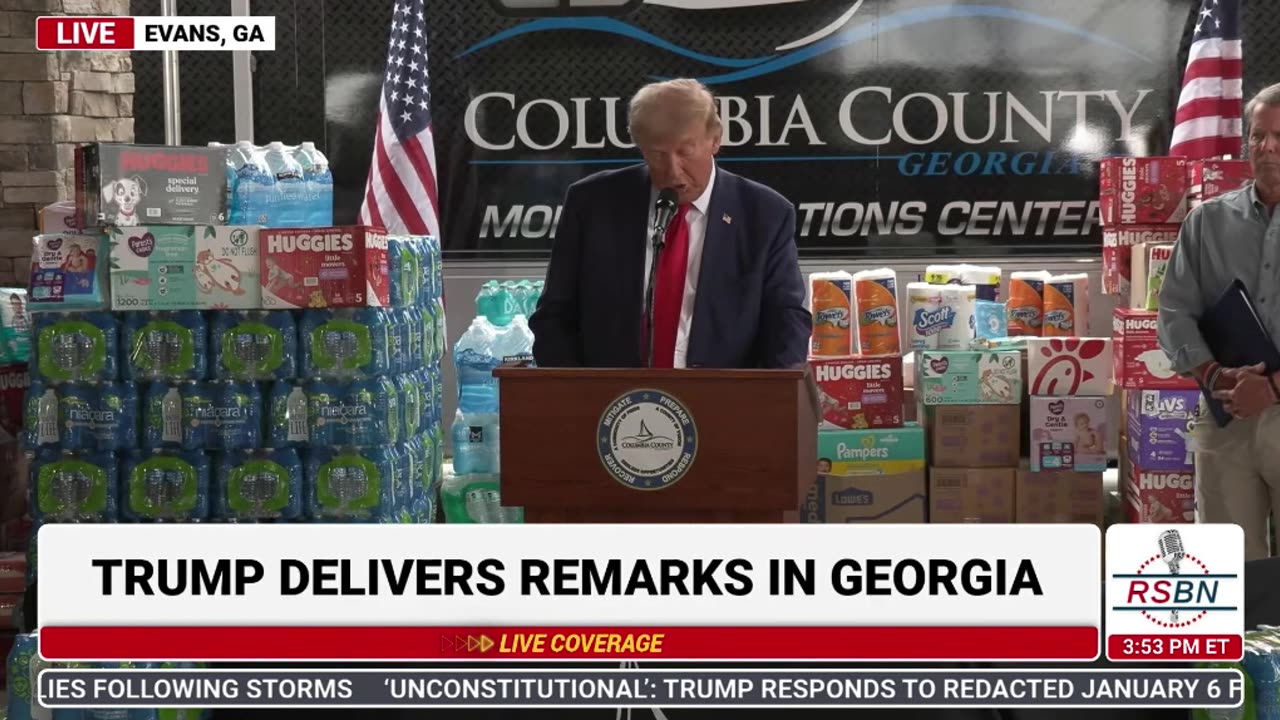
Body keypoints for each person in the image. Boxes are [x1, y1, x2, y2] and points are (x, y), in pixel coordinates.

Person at [529, 79, 811, 369]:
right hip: (610, 404)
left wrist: (770, 399)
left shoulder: (765, 214)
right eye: (658, 154)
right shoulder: (592, 204)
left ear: (715, 139)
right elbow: (554, 316)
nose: (673, 171)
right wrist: (573, 395)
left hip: (724, 402)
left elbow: (786, 321)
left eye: (685, 151)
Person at [1157, 82, 1280, 560]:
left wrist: (1270, 389)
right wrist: (1212, 373)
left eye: (1279, 137)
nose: (1267, 147)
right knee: (1229, 571)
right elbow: (1174, 311)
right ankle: (1242, 637)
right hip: (1226, 419)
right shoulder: (1207, 222)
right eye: (1258, 136)